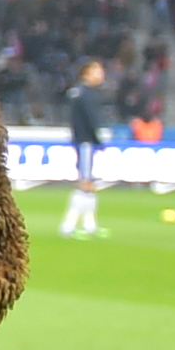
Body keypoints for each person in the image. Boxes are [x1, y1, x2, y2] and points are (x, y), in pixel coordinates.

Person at [57, 57, 114, 238]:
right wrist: (99, 140)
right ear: (87, 73)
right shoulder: (88, 94)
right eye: (97, 70)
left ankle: (90, 226)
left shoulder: (77, 92)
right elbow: (91, 121)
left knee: (89, 184)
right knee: (85, 184)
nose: (101, 74)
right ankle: (68, 226)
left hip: (81, 141)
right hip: (86, 143)